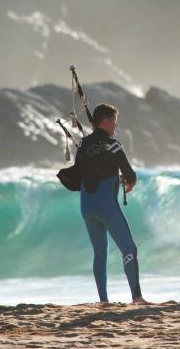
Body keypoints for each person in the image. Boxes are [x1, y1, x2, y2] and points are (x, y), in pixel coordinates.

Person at [75, 103, 146, 304]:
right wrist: (129, 182)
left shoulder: (82, 145)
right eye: (114, 121)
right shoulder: (113, 145)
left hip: (86, 206)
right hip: (106, 205)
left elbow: (82, 172)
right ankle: (137, 298)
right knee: (129, 249)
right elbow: (130, 174)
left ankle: (104, 301)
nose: (116, 125)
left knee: (99, 253)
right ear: (105, 122)